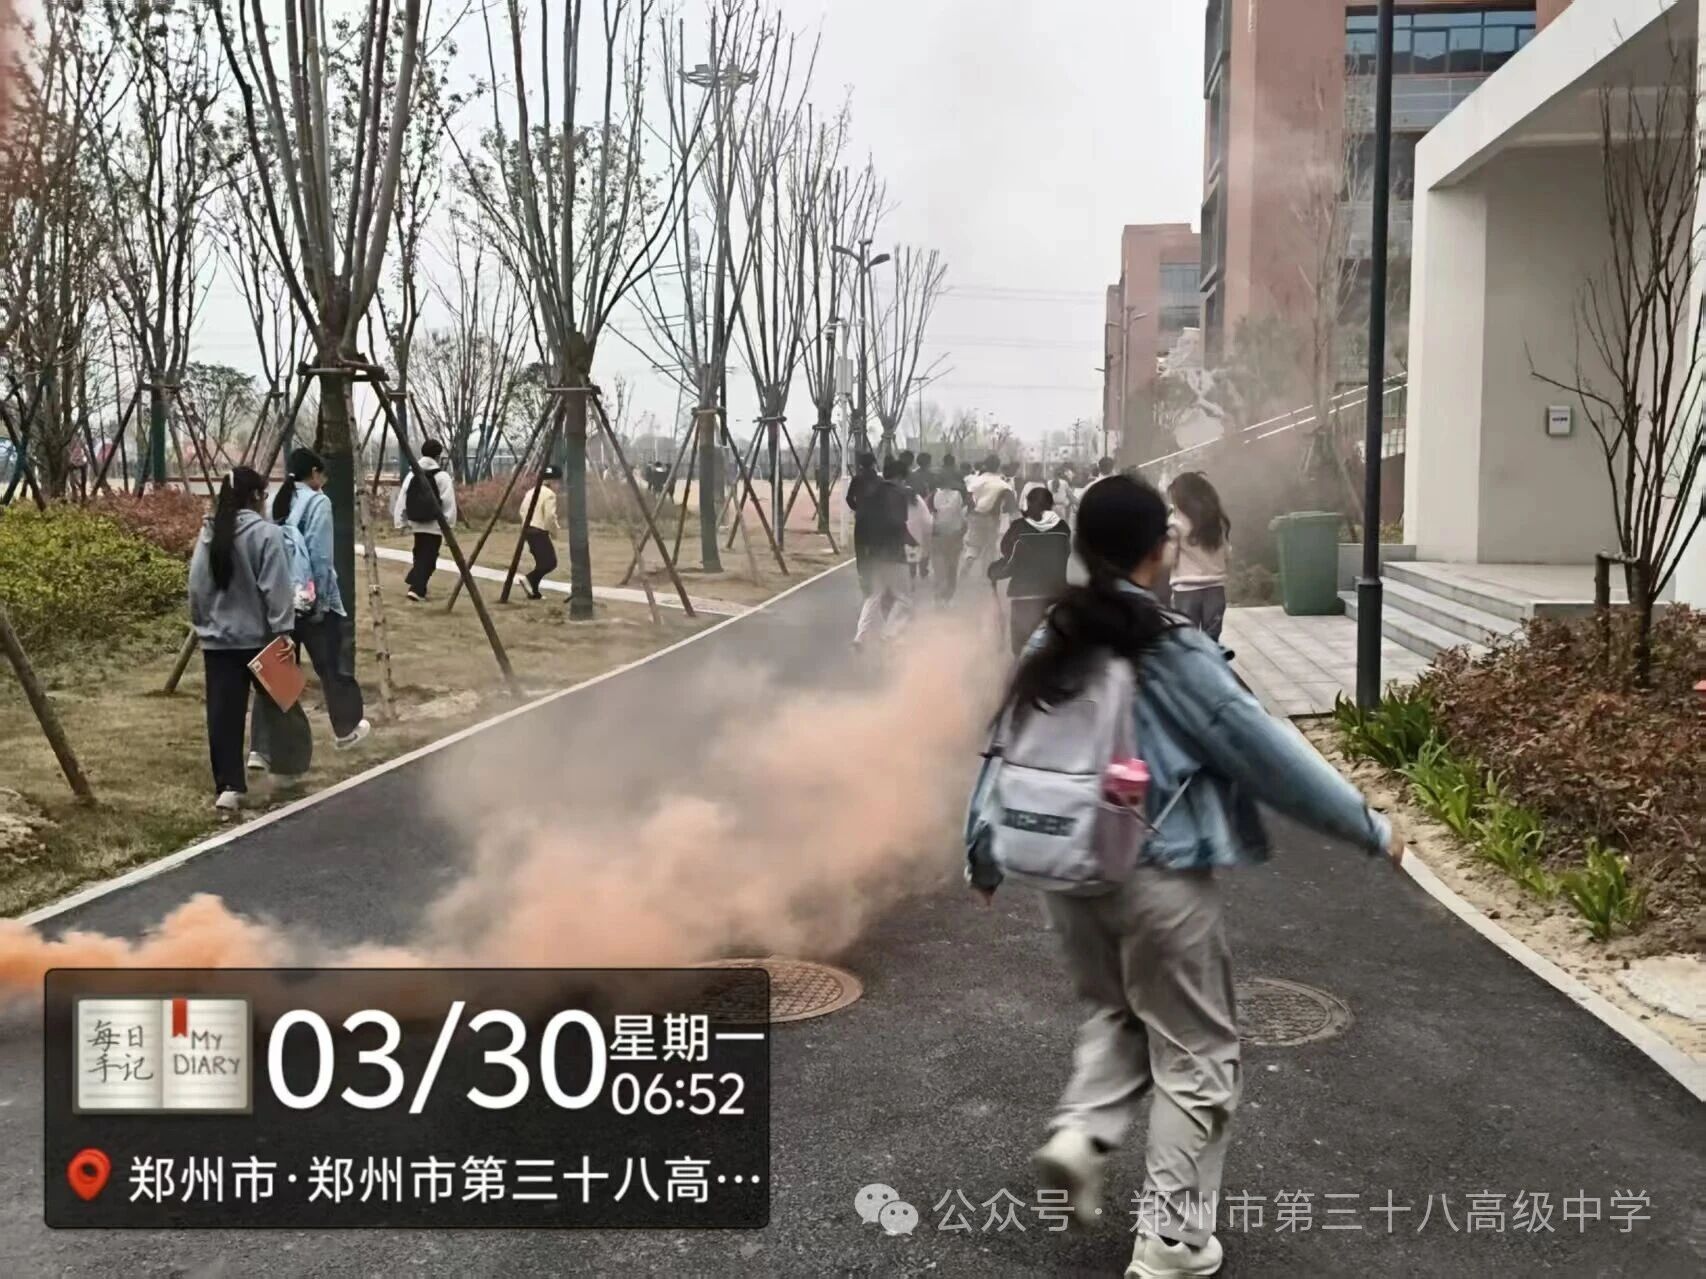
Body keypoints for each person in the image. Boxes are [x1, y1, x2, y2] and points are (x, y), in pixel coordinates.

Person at [969, 474, 1405, 1279]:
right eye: (1166, 532)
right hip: (1154, 870)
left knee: (1122, 1013)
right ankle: (1170, 1241)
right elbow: (1262, 751)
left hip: (1066, 875)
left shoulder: (1053, 634)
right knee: (1198, 1053)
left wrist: (983, 849)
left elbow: (1004, 747)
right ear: (1153, 550)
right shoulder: (1169, 646)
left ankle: (1082, 1132)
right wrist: (1367, 825)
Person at [188, 467, 314, 812]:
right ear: (257, 496)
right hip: (263, 637)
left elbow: (196, 586)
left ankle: (229, 787)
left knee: (224, 715)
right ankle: (289, 771)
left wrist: (203, 624)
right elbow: (276, 587)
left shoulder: (209, 533)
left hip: (218, 642)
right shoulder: (266, 534)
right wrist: (283, 630)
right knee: (284, 702)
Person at [250, 447, 370, 769]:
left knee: (275, 672)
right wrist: (323, 601)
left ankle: (262, 749)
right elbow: (320, 557)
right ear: (315, 473)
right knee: (332, 667)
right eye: (323, 474)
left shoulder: (275, 501)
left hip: (277, 599)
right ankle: (346, 730)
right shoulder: (319, 502)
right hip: (308, 600)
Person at [988, 486, 1071, 654]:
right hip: (1055, 594)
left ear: (1028, 504)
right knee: (1053, 646)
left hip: (1025, 596)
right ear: (1051, 505)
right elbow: (1064, 555)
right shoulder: (1063, 528)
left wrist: (994, 572)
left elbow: (1010, 561)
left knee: (1021, 647)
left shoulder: (1018, 528)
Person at [852, 457, 915, 647]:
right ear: (899, 477)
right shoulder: (900, 494)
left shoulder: (870, 493)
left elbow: (861, 525)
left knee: (873, 596)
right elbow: (900, 525)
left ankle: (860, 637)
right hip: (894, 554)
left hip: (873, 554)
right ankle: (888, 633)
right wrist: (913, 542)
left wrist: (862, 561)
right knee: (904, 600)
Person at [1167, 471, 1230, 642]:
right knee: (1212, 639)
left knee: (1188, 641)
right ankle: (1212, 659)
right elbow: (1227, 554)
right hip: (1215, 589)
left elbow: (1169, 559)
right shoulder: (1217, 522)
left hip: (1186, 590)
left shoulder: (1175, 524)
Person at [393, 438, 457, 601]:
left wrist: (401, 522)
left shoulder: (412, 475)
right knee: (429, 559)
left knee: (420, 554)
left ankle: (417, 585)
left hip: (416, 522)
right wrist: (449, 525)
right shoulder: (442, 477)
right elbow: (448, 502)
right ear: (438, 456)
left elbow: (402, 499)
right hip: (435, 524)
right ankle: (416, 589)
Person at [960, 454, 1015, 587]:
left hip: (975, 516)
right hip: (992, 518)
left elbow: (967, 498)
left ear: (985, 465)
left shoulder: (976, 481)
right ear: (998, 467)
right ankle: (985, 577)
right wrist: (1005, 510)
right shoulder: (1002, 484)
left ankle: (967, 564)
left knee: (974, 545)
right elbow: (1011, 504)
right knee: (990, 547)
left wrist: (973, 510)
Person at [517, 465, 561, 600]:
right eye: (558, 482)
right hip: (539, 531)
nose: (559, 486)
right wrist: (554, 531)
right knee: (550, 562)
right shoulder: (550, 495)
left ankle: (534, 591)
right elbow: (549, 517)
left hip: (528, 530)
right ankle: (529, 579)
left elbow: (521, 510)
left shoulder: (531, 492)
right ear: (552, 481)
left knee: (542, 563)